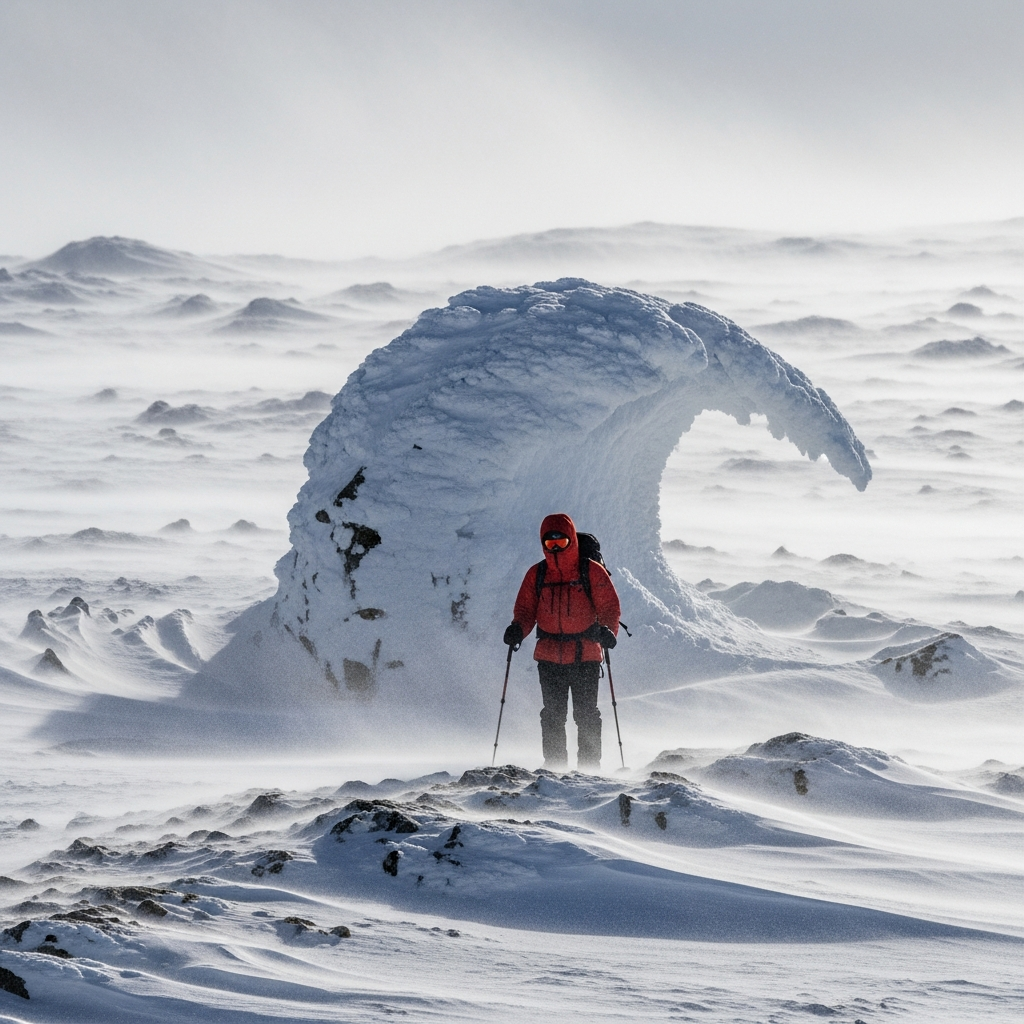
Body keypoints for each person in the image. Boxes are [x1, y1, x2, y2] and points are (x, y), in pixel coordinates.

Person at [503, 513, 620, 771]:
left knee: (586, 715)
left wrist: (609, 631)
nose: (555, 548)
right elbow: (525, 611)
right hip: (548, 657)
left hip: (585, 654)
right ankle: (555, 768)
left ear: (572, 541)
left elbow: (610, 607)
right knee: (553, 716)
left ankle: (590, 769)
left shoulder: (591, 571)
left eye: (561, 542)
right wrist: (517, 629)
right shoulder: (537, 574)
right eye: (549, 544)